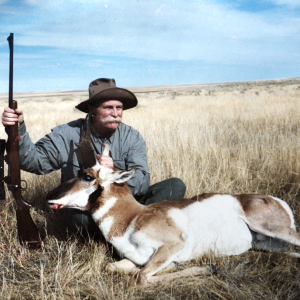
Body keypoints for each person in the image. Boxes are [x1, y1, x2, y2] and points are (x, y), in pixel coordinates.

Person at [2, 78, 186, 239]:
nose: (116, 113)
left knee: (175, 186)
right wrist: (18, 129)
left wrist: (114, 172)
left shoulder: (132, 136)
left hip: (126, 204)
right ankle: (129, 236)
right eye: (108, 108)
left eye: (119, 108)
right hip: (87, 208)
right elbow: (34, 162)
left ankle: (128, 230)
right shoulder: (67, 134)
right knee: (77, 218)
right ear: (91, 110)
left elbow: (143, 179)